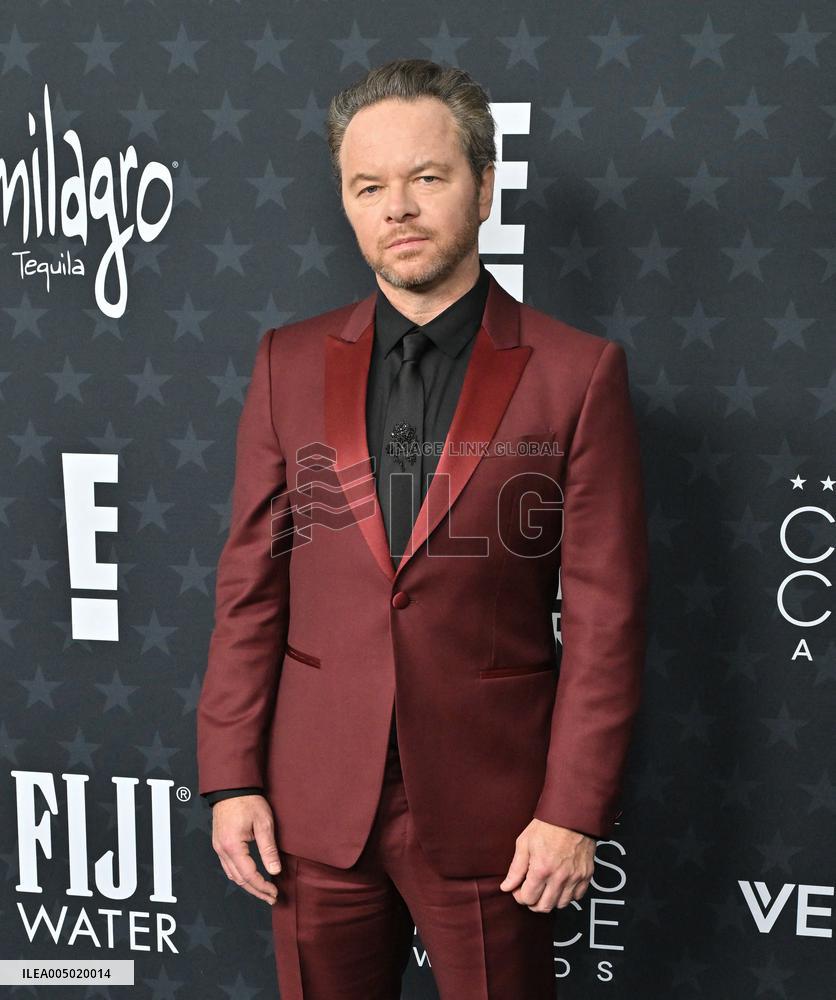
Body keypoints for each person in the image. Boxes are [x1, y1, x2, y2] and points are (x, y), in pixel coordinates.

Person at [196, 57, 649, 1000]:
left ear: (484, 188)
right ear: (349, 205)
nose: (397, 207)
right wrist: (231, 776)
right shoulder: (285, 362)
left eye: (426, 177)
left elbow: (607, 619)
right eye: (369, 186)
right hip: (315, 806)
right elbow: (250, 584)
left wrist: (572, 809)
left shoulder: (577, 373)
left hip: (498, 816)